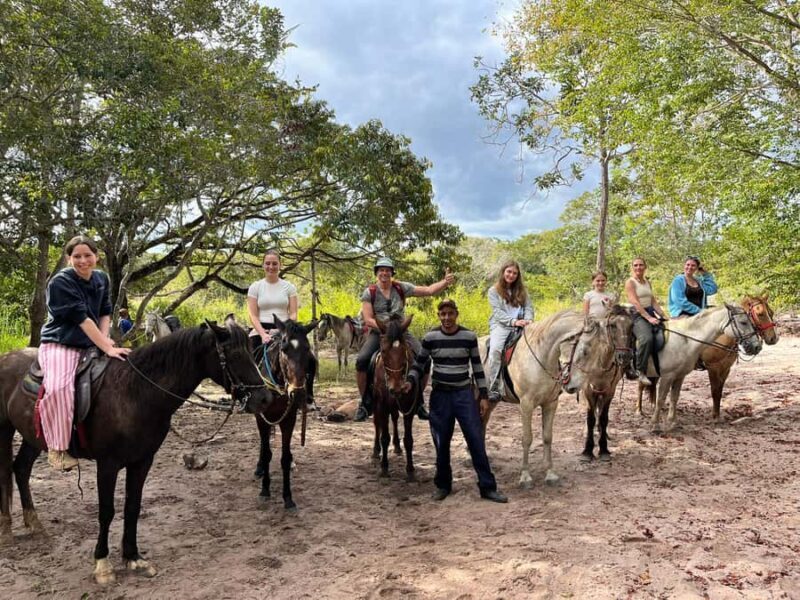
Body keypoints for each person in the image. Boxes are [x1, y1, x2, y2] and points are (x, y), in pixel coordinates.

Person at [39, 235, 131, 471]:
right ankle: (58, 449)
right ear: (69, 259)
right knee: (59, 388)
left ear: (96, 257)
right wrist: (106, 347)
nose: (83, 261)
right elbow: (82, 320)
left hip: (91, 342)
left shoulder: (102, 278)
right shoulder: (60, 283)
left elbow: (104, 313)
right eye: (77, 256)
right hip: (60, 343)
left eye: (87, 255)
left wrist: (104, 342)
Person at [402, 299, 507, 503]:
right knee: (441, 443)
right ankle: (443, 485)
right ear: (438, 316)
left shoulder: (468, 337)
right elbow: (419, 363)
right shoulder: (430, 337)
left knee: (476, 440)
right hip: (440, 396)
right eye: (443, 314)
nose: (447, 318)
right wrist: (410, 381)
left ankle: (487, 487)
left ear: (456, 314)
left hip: (464, 395)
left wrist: (483, 397)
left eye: (450, 314)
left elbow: (477, 367)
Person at [353, 257, 455, 422]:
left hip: (401, 332)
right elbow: (368, 318)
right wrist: (384, 328)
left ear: (392, 273)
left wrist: (444, 282)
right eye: (381, 270)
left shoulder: (401, 288)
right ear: (376, 273)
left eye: (387, 270)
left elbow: (428, 290)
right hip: (380, 332)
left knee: (425, 359)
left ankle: (419, 402)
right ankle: (365, 402)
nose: (384, 273)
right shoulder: (369, 292)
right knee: (362, 360)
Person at [247, 248, 316, 402]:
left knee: (309, 358)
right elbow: (253, 315)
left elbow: (293, 314)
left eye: (274, 263)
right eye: (268, 263)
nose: (271, 267)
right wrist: (263, 334)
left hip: (285, 330)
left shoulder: (289, 287)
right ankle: (246, 396)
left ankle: (308, 394)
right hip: (260, 329)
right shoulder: (255, 287)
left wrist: (284, 331)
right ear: (263, 265)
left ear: (280, 265)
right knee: (243, 357)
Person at [486, 260, 533, 402]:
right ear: (503, 272)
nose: (511, 275)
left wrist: (529, 320)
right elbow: (498, 313)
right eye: (509, 272)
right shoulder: (493, 291)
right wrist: (513, 322)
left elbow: (529, 307)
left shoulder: (522, 290)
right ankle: (493, 387)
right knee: (495, 350)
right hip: (501, 325)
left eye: (514, 273)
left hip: (522, 324)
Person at [624, 257, 668, 386]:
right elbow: (634, 301)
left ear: (645, 267)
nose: (638, 267)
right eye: (636, 265)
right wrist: (648, 318)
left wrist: (663, 315)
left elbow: (652, 301)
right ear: (632, 267)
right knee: (646, 338)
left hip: (649, 311)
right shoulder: (630, 282)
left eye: (641, 265)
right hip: (637, 315)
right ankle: (640, 370)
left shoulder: (647, 282)